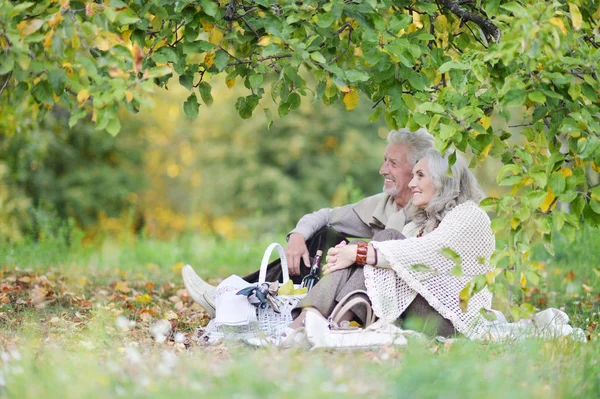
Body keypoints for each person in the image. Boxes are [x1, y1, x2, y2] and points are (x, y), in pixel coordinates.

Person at [182, 128, 435, 317]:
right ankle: (237, 294)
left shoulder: (431, 208)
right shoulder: (382, 205)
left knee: (354, 250)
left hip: (400, 297)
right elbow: (324, 215)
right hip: (371, 284)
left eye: (392, 163)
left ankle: (237, 300)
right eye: (384, 160)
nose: (382, 169)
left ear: (417, 169)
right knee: (323, 236)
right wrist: (297, 237)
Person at [288, 149, 495, 338]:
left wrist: (357, 253)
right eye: (413, 175)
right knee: (374, 248)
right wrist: (353, 254)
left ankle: (329, 324)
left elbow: (427, 253)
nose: (412, 183)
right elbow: (391, 260)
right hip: (415, 312)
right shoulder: (417, 225)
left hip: (454, 322)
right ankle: (307, 319)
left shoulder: (469, 215)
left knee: (385, 240)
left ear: (445, 179)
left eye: (420, 176)